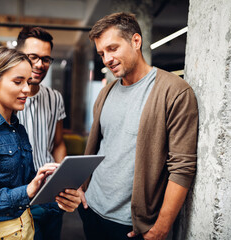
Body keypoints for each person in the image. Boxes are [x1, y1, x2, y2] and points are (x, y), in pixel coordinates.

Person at [78, 12, 198, 240]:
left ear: (136, 41)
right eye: (102, 53)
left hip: (131, 225)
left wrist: (162, 226)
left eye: (112, 49)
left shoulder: (174, 91)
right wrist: (82, 188)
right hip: (90, 209)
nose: (106, 59)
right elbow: (97, 148)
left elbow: (182, 167)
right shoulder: (106, 93)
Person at [0, 46, 80, 240]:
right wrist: (25, 192)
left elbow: (28, 188)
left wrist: (59, 199)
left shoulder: (17, 128)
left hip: (26, 230)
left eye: (28, 82)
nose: (27, 90)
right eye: (18, 82)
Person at [16, 26, 67, 240]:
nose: (39, 64)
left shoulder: (55, 97)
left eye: (45, 59)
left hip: (51, 196)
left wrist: (64, 179)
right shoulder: (5, 97)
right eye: (33, 57)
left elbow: (58, 143)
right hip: (18, 197)